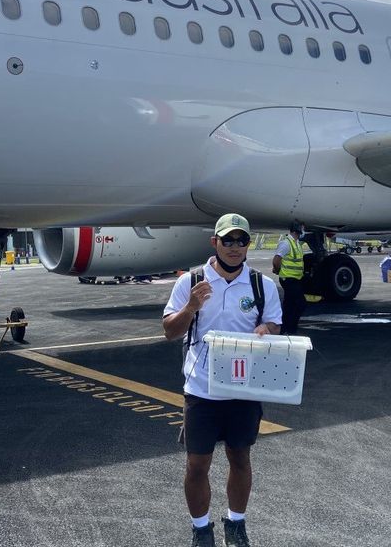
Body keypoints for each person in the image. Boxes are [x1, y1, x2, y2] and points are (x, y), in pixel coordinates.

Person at [163, 213, 282, 547]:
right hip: (201, 388)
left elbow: (275, 324)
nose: (234, 247)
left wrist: (267, 329)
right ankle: (201, 529)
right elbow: (170, 332)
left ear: (248, 244)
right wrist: (190, 307)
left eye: (241, 240)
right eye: (227, 240)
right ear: (214, 242)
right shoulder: (191, 281)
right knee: (197, 464)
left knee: (240, 458)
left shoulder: (262, 285)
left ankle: (236, 523)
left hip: (243, 387)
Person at [272, 221, 307, 335]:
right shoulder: (286, 243)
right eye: (302, 228)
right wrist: (278, 270)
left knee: (289, 305)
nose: (304, 230)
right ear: (298, 229)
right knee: (300, 303)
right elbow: (276, 260)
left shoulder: (296, 243)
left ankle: (284, 329)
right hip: (288, 279)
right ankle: (291, 328)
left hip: (295, 279)